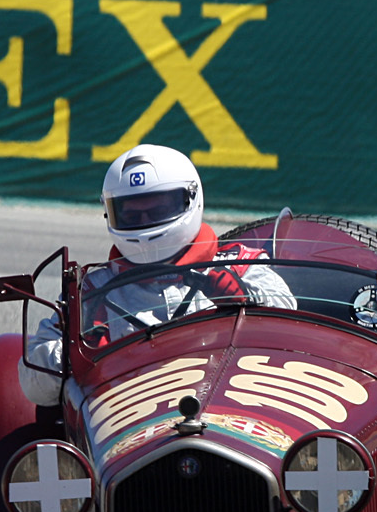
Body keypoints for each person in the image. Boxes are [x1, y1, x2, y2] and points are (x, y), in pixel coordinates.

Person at [19, 144, 294, 406]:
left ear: (190, 199)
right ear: (109, 213)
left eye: (158, 209)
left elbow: (292, 319)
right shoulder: (91, 291)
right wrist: (78, 352)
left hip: (228, 404)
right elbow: (33, 382)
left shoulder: (239, 263)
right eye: (130, 214)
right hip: (128, 414)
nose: (144, 223)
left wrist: (244, 298)